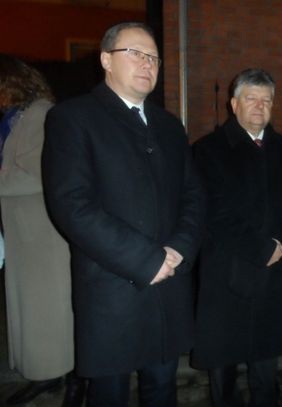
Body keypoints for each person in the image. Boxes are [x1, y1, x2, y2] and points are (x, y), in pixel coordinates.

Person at [42, 22, 205, 407]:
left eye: (154, 58)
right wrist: (146, 260)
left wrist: (179, 249)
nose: (147, 63)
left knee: (162, 390)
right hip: (111, 288)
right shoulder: (73, 118)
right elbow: (71, 205)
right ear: (106, 60)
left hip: (169, 285)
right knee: (109, 395)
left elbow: (194, 195)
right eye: (135, 53)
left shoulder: (169, 126)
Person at [192, 68, 282, 406]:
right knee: (224, 364)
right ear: (234, 104)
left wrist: (281, 243)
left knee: (266, 361)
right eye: (251, 98)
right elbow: (213, 210)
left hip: (271, 270)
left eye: (266, 100)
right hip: (227, 270)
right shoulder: (209, 150)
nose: (260, 106)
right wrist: (260, 248)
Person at [0, 54, 86, 406]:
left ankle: (73, 378)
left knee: (54, 309)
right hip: (23, 231)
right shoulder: (15, 116)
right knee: (34, 311)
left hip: (43, 231)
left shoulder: (41, 114)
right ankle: (46, 374)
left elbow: (42, 174)